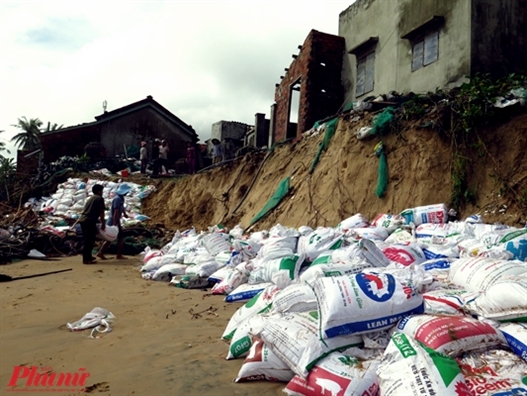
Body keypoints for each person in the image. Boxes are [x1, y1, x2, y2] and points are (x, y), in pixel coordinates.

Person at [96, 183, 131, 260]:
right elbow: (116, 211)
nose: (127, 193)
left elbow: (121, 207)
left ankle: (101, 253)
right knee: (118, 237)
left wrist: (124, 213)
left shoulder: (121, 198)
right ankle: (118, 255)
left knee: (112, 239)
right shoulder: (117, 199)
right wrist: (115, 223)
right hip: (113, 221)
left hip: (116, 220)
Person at [78, 184, 105, 264]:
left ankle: (88, 256)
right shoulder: (99, 198)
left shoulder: (91, 198)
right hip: (89, 221)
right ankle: (86, 259)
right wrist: (103, 223)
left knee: (87, 239)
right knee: (89, 240)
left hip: (83, 220)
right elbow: (101, 212)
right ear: (99, 191)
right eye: (101, 191)